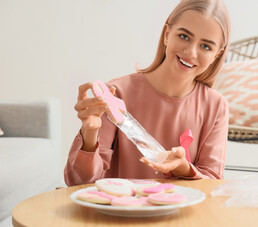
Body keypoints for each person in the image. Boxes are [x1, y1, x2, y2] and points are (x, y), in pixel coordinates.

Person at [64, 0, 231, 186]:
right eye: (184, 36)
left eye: (206, 46)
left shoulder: (216, 106)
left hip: (181, 214)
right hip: (120, 211)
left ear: (216, 55)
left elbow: (212, 185)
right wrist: (90, 133)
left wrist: (183, 168)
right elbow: (78, 182)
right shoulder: (116, 94)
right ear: (167, 34)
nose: (191, 52)